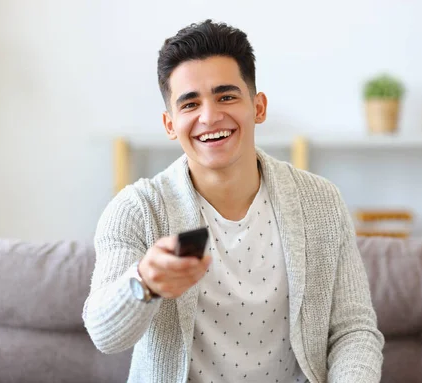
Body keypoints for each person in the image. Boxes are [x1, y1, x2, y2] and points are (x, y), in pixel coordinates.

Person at [83, 19, 384, 383]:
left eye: (226, 96)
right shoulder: (137, 211)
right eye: (190, 103)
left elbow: (354, 330)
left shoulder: (320, 202)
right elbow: (104, 334)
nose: (209, 117)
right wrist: (144, 282)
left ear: (258, 107)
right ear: (169, 123)